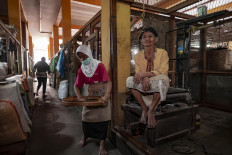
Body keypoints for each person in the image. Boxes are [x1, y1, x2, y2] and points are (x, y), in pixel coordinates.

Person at [126, 27, 169, 128]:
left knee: (163, 80)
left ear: (155, 39)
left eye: (150, 36)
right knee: (129, 80)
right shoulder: (137, 56)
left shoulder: (163, 53)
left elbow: (163, 71)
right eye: (144, 37)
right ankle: (144, 108)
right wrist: (144, 78)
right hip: (145, 79)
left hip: (158, 78)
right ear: (141, 41)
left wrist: (146, 75)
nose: (147, 39)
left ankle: (151, 111)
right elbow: (138, 72)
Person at [74, 45, 112, 155]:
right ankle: (85, 136)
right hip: (90, 93)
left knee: (103, 119)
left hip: (102, 92)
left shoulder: (99, 65)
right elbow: (76, 86)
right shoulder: (81, 70)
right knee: (86, 117)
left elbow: (108, 82)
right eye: (80, 57)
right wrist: (80, 97)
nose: (82, 59)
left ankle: (102, 145)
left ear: (89, 54)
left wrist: (106, 96)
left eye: (84, 56)